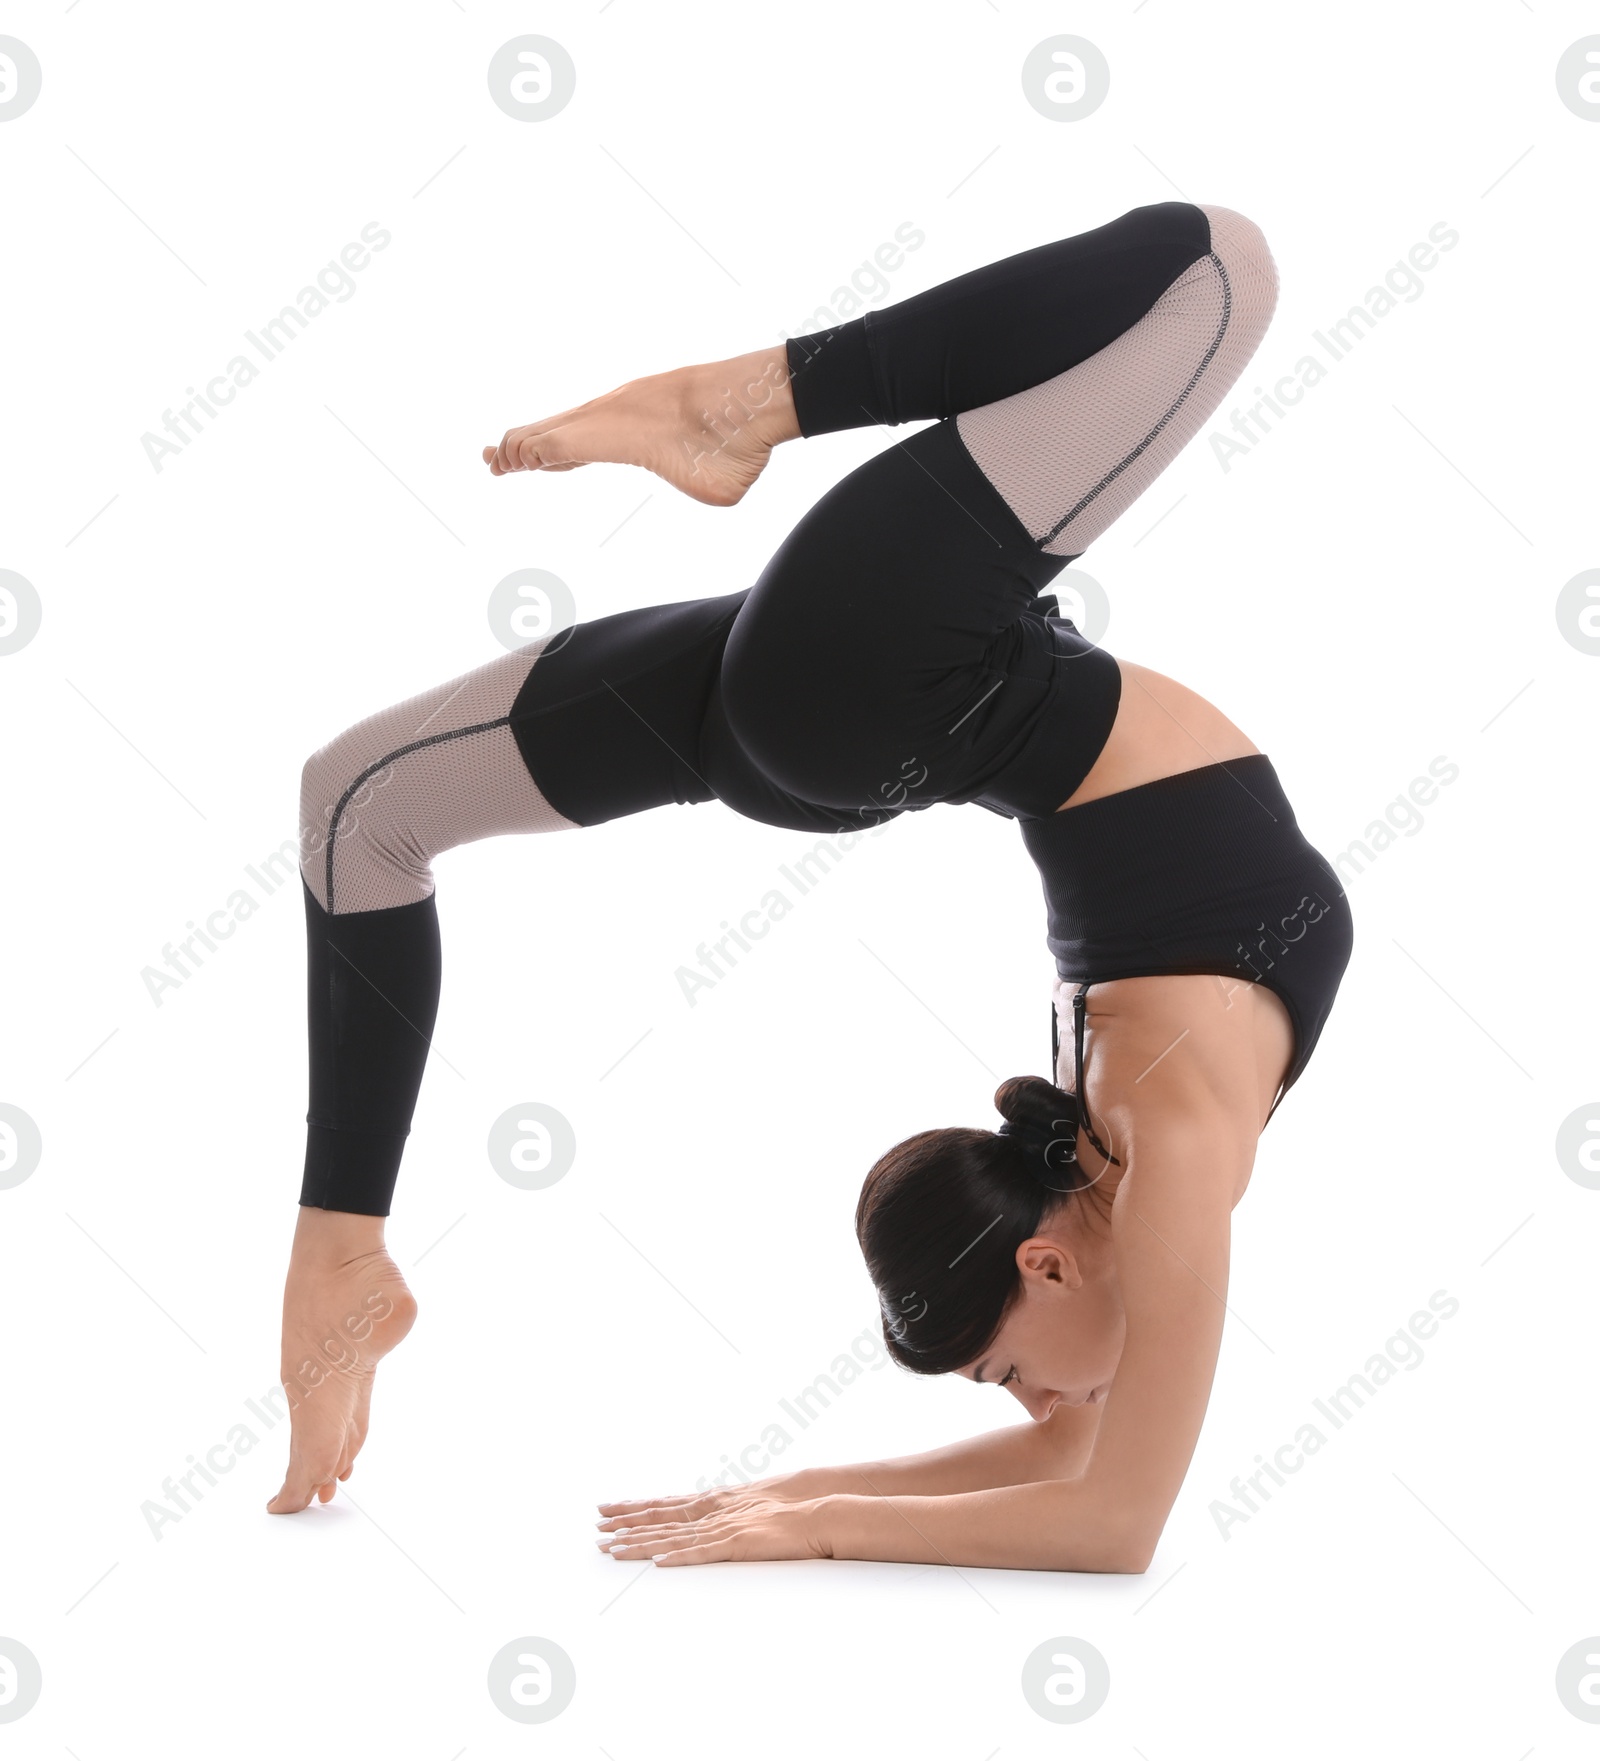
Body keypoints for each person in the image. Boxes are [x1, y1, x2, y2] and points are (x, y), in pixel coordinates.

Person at [271, 200, 1353, 1575]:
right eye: (1006, 1382)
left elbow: (1084, 1478)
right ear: (1043, 1264)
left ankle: (334, 1247)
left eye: (1005, 1381)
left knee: (1221, 269)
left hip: (884, 685)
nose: (1041, 1404)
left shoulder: (1135, 1150)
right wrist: (808, 1500)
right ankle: (339, 1253)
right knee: (361, 804)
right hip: (871, 700)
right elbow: (1109, 1510)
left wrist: (807, 1510)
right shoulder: (1170, 1148)